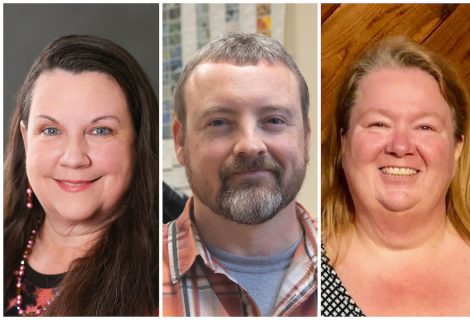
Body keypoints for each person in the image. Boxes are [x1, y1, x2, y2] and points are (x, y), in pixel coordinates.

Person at [162, 32, 317, 316]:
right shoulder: (125, 273)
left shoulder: (359, 267)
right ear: (180, 142)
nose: (250, 145)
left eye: (273, 120)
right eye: (219, 122)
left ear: (306, 137)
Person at [4, 35, 159, 316]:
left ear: (138, 143)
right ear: (26, 140)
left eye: (100, 131)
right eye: (51, 131)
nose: (74, 158)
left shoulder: (165, 281)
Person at [321, 37, 470, 316]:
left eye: (425, 127)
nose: (400, 147)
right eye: (379, 124)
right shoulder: (294, 278)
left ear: (457, 149)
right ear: (344, 143)